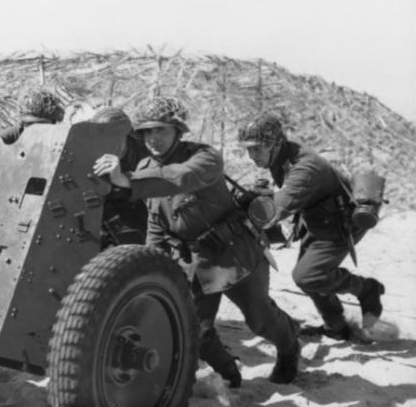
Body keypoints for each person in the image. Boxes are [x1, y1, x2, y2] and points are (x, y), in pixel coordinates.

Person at [93, 97, 301, 387]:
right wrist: (152, 266)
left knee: (260, 321)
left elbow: (180, 177)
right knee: (197, 331)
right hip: (198, 263)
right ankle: (231, 374)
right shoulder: (145, 165)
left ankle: (290, 346)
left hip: (236, 254)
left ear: (178, 131)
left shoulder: (205, 157)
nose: (153, 138)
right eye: (147, 132)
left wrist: (126, 179)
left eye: (161, 130)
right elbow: (156, 221)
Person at [238, 113, 385, 340]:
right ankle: (336, 326)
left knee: (307, 276)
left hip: (339, 225)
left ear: (274, 144)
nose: (251, 156)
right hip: (316, 219)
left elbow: (275, 210)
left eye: (256, 149)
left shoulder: (305, 168)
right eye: (248, 150)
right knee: (312, 276)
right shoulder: (282, 156)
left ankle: (366, 289)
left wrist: (251, 205)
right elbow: (289, 193)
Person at [90, 107, 150, 246]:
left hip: (137, 208)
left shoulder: (144, 152)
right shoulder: (91, 152)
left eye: (114, 135)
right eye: (103, 137)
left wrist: (122, 177)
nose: (108, 142)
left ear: (127, 135)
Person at [0, 88, 64, 144]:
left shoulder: (59, 137)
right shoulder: (18, 131)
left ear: (53, 122)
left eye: (40, 124)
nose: (33, 129)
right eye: (29, 124)